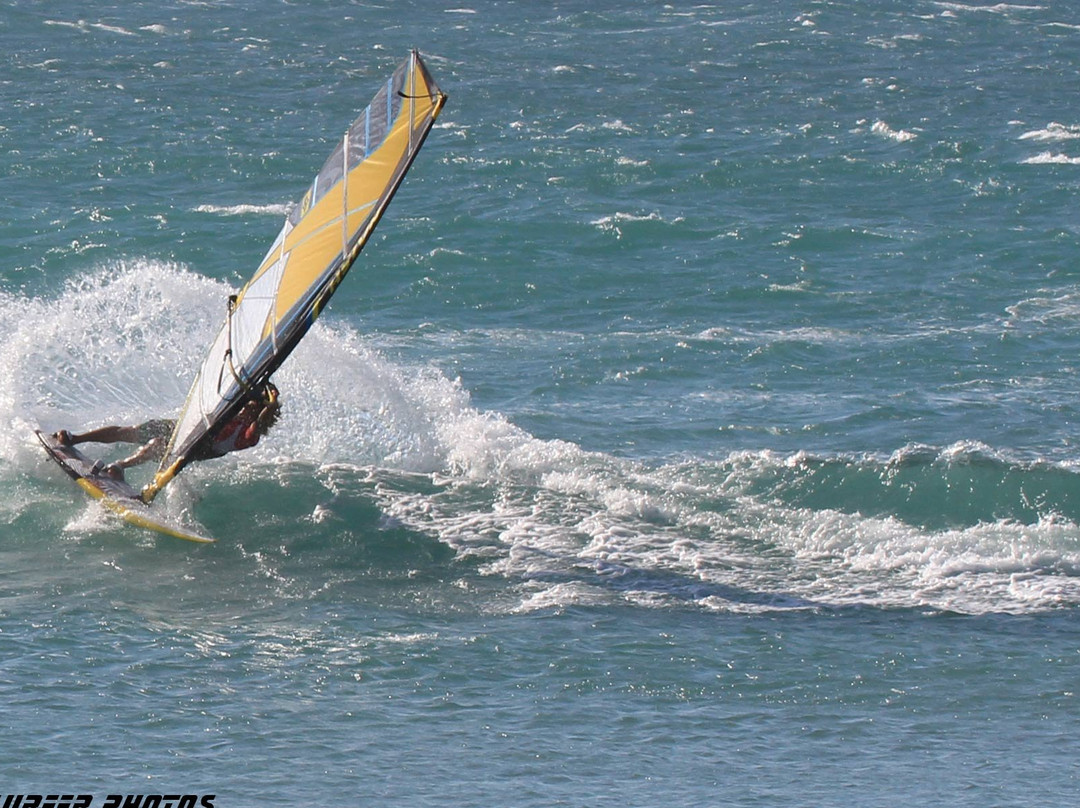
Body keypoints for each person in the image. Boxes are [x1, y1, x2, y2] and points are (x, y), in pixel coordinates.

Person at [54, 382, 280, 479]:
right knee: (133, 431)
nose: (246, 406)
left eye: (251, 406)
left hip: (200, 446)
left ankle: (119, 467)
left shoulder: (249, 437)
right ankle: (76, 439)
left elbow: (258, 424)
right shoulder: (232, 408)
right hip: (186, 426)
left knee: (158, 445)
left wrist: (270, 405)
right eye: (248, 403)